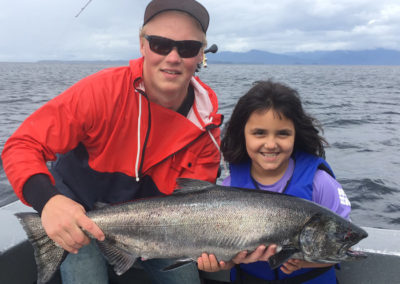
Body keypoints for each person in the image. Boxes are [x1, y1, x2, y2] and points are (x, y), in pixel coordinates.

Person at [1, 0, 241, 283]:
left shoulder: (207, 128)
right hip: (80, 215)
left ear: (201, 54)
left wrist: (221, 248)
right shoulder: (99, 93)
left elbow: (196, 205)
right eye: (160, 44)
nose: (173, 57)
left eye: (187, 48)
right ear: (142, 45)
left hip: (158, 228)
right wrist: (49, 201)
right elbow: (22, 144)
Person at [199, 80, 352, 283]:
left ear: (295, 135)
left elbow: (343, 245)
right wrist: (222, 262)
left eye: (283, 133)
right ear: (242, 134)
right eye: (259, 133)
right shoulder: (229, 188)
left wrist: (304, 263)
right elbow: (227, 257)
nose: (271, 144)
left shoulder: (320, 183)